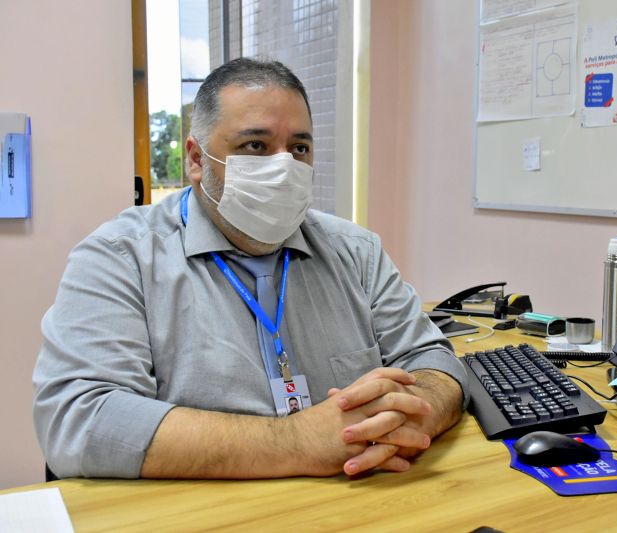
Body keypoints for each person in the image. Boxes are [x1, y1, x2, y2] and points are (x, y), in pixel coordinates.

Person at [33, 57, 467, 480]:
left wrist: (418, 414)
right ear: (197, 160)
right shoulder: (119, 257)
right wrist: (299, 440)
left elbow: (432, 359)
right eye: (255, 146)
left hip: (360, 501)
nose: (283, 167)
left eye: (299, 147)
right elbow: (79, 420)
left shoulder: (356, 251)